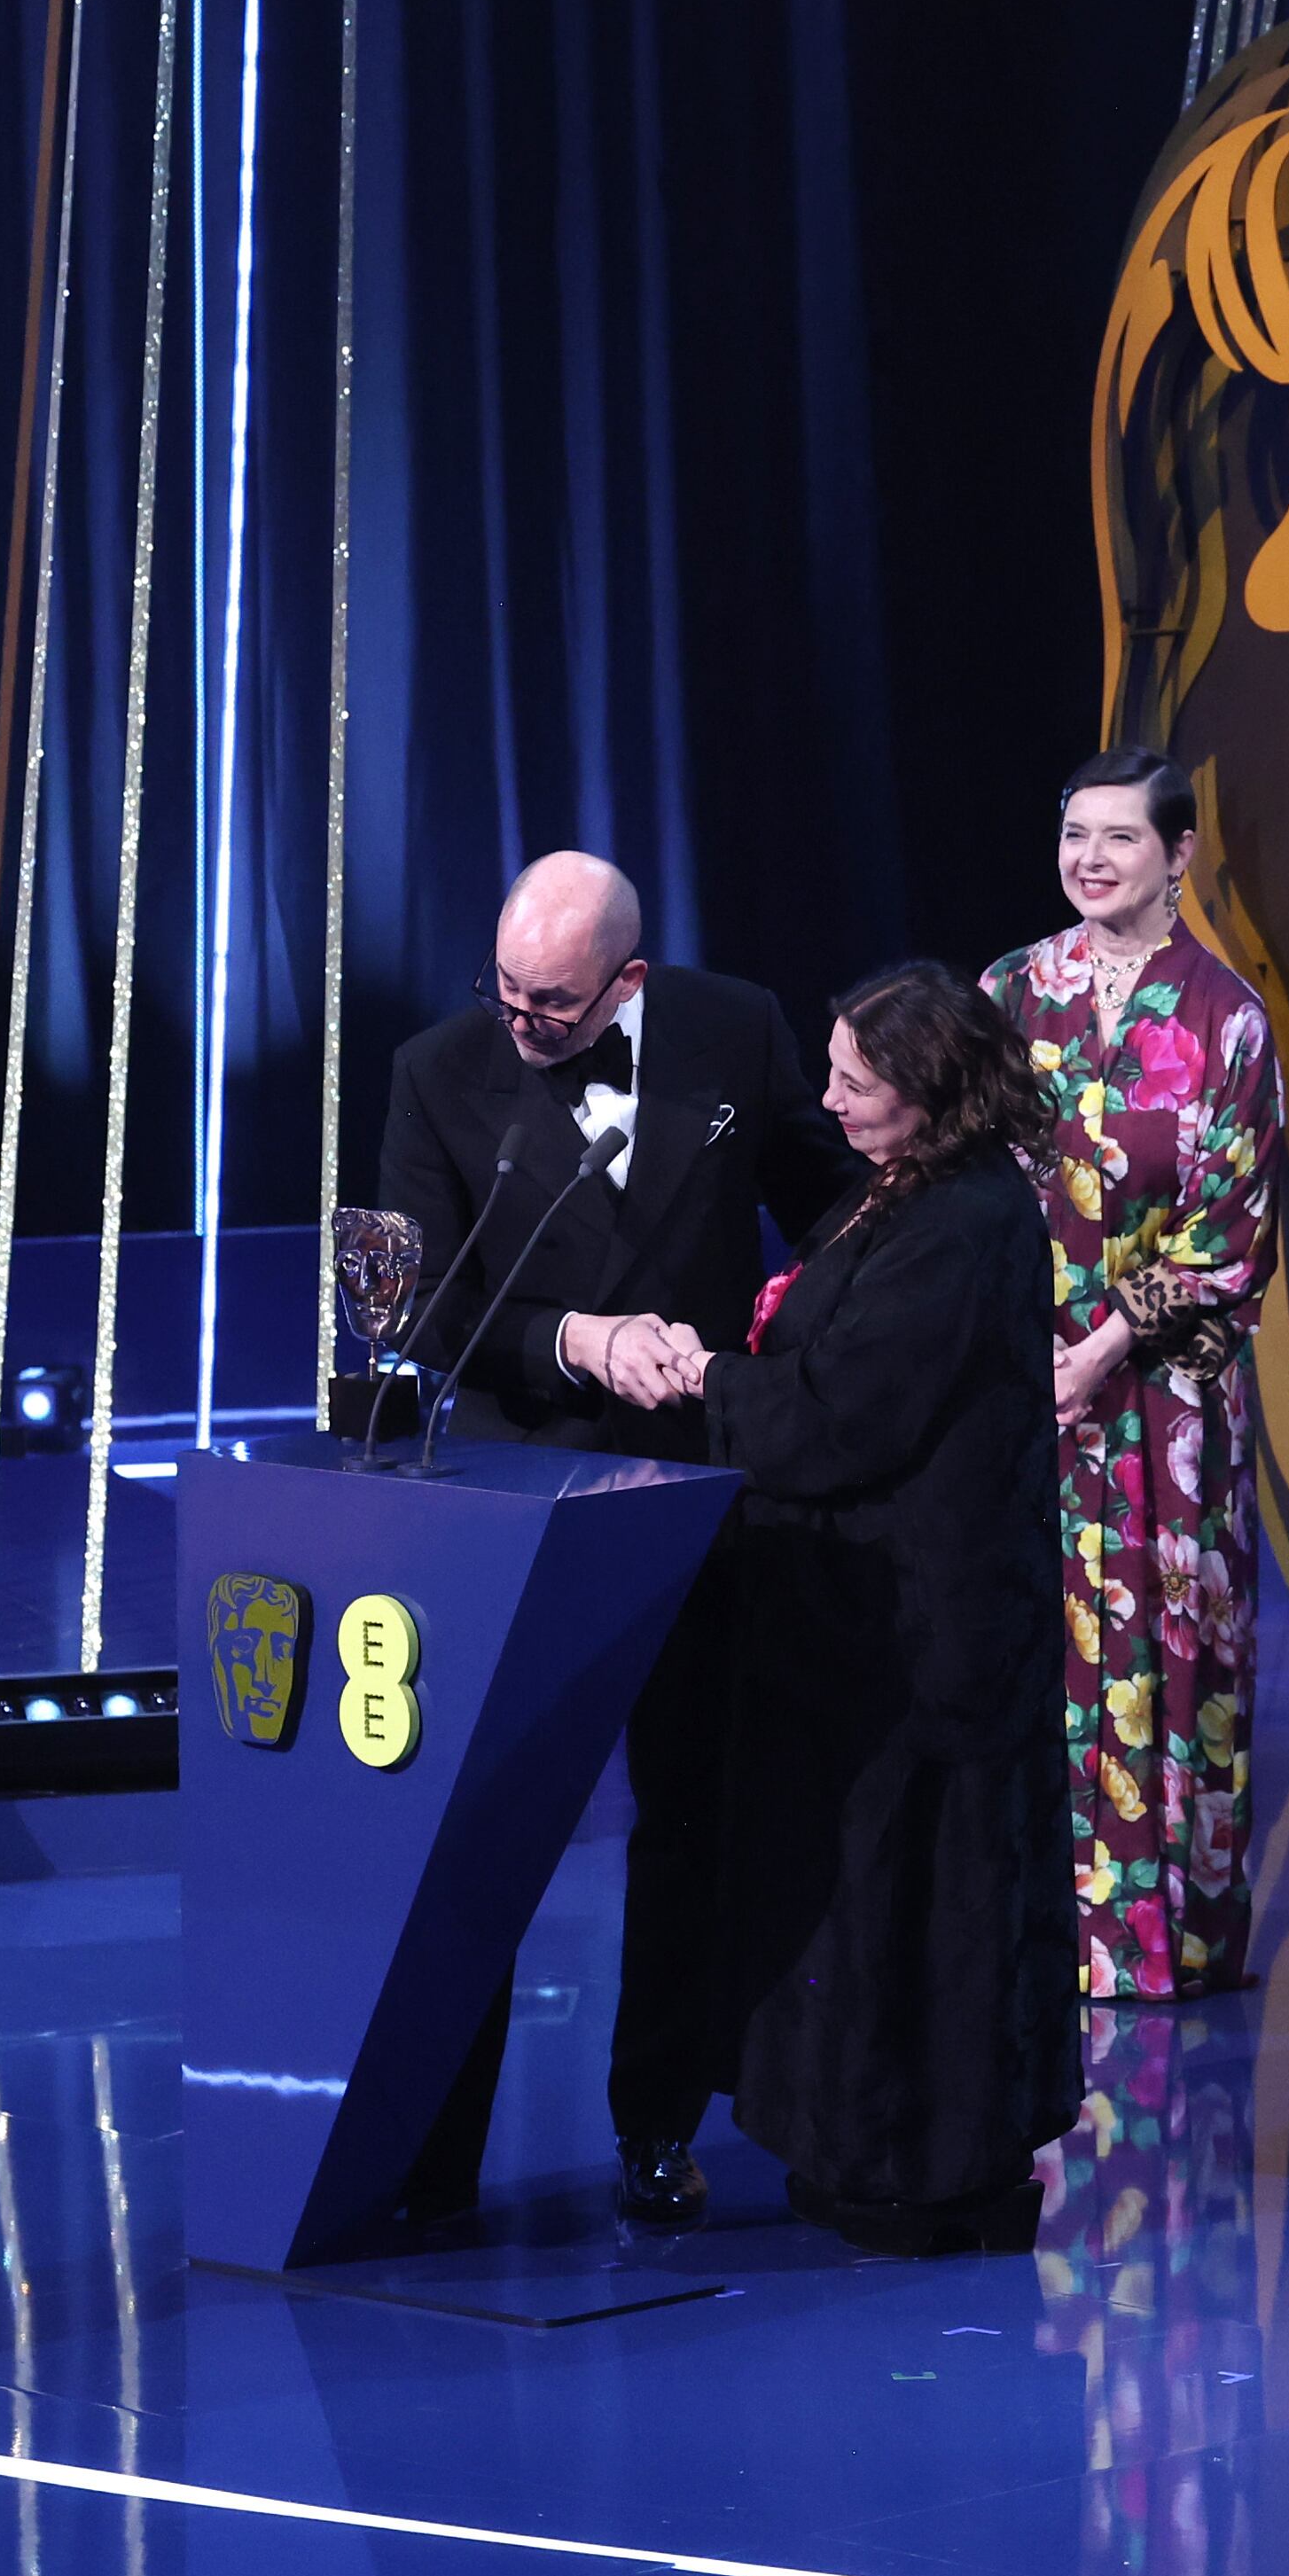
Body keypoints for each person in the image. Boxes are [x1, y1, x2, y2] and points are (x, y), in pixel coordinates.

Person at [373, 851, 848, 2229]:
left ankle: (658, 2123)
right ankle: (434, 2153)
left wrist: (785, 1337)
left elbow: (827, 1209)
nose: (522, 1025)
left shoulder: (735, 1026)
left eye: (556, 1006)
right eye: (507, 992)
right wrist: (574, 1340)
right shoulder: (438, 1070)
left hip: (700, 1493)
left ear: (628, 982)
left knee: (693, 1820)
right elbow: (420, 1304)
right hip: (525, 1506)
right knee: (484, 1832)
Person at [602, 963, 1074, 2255]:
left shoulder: (968, 1223)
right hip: (879, 1627)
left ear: (926, 1090)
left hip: (935, 1635)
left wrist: (701, 1375)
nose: (824, 1098)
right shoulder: (909, 1195)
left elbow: (842, 1415)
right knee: (872, 1895)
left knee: (925, 1901)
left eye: (852, 1081)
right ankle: (868, 2147)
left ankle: (920, 2163)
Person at [982, 749, 1283, 2002]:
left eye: (1118, 837)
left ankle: (1171, 1935)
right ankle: (1044, 1929)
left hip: (1165, 1395)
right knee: (1036, 1647)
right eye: (1075, 837)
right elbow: (967, 1173)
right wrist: (1030, 1344)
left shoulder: (1229, 1017)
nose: (1091, 859)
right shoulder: (1009, 990)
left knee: (1174, 1648)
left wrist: (1106, 1343)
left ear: (1179, 853)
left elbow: (1234, 1238)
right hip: (1021, 1370)